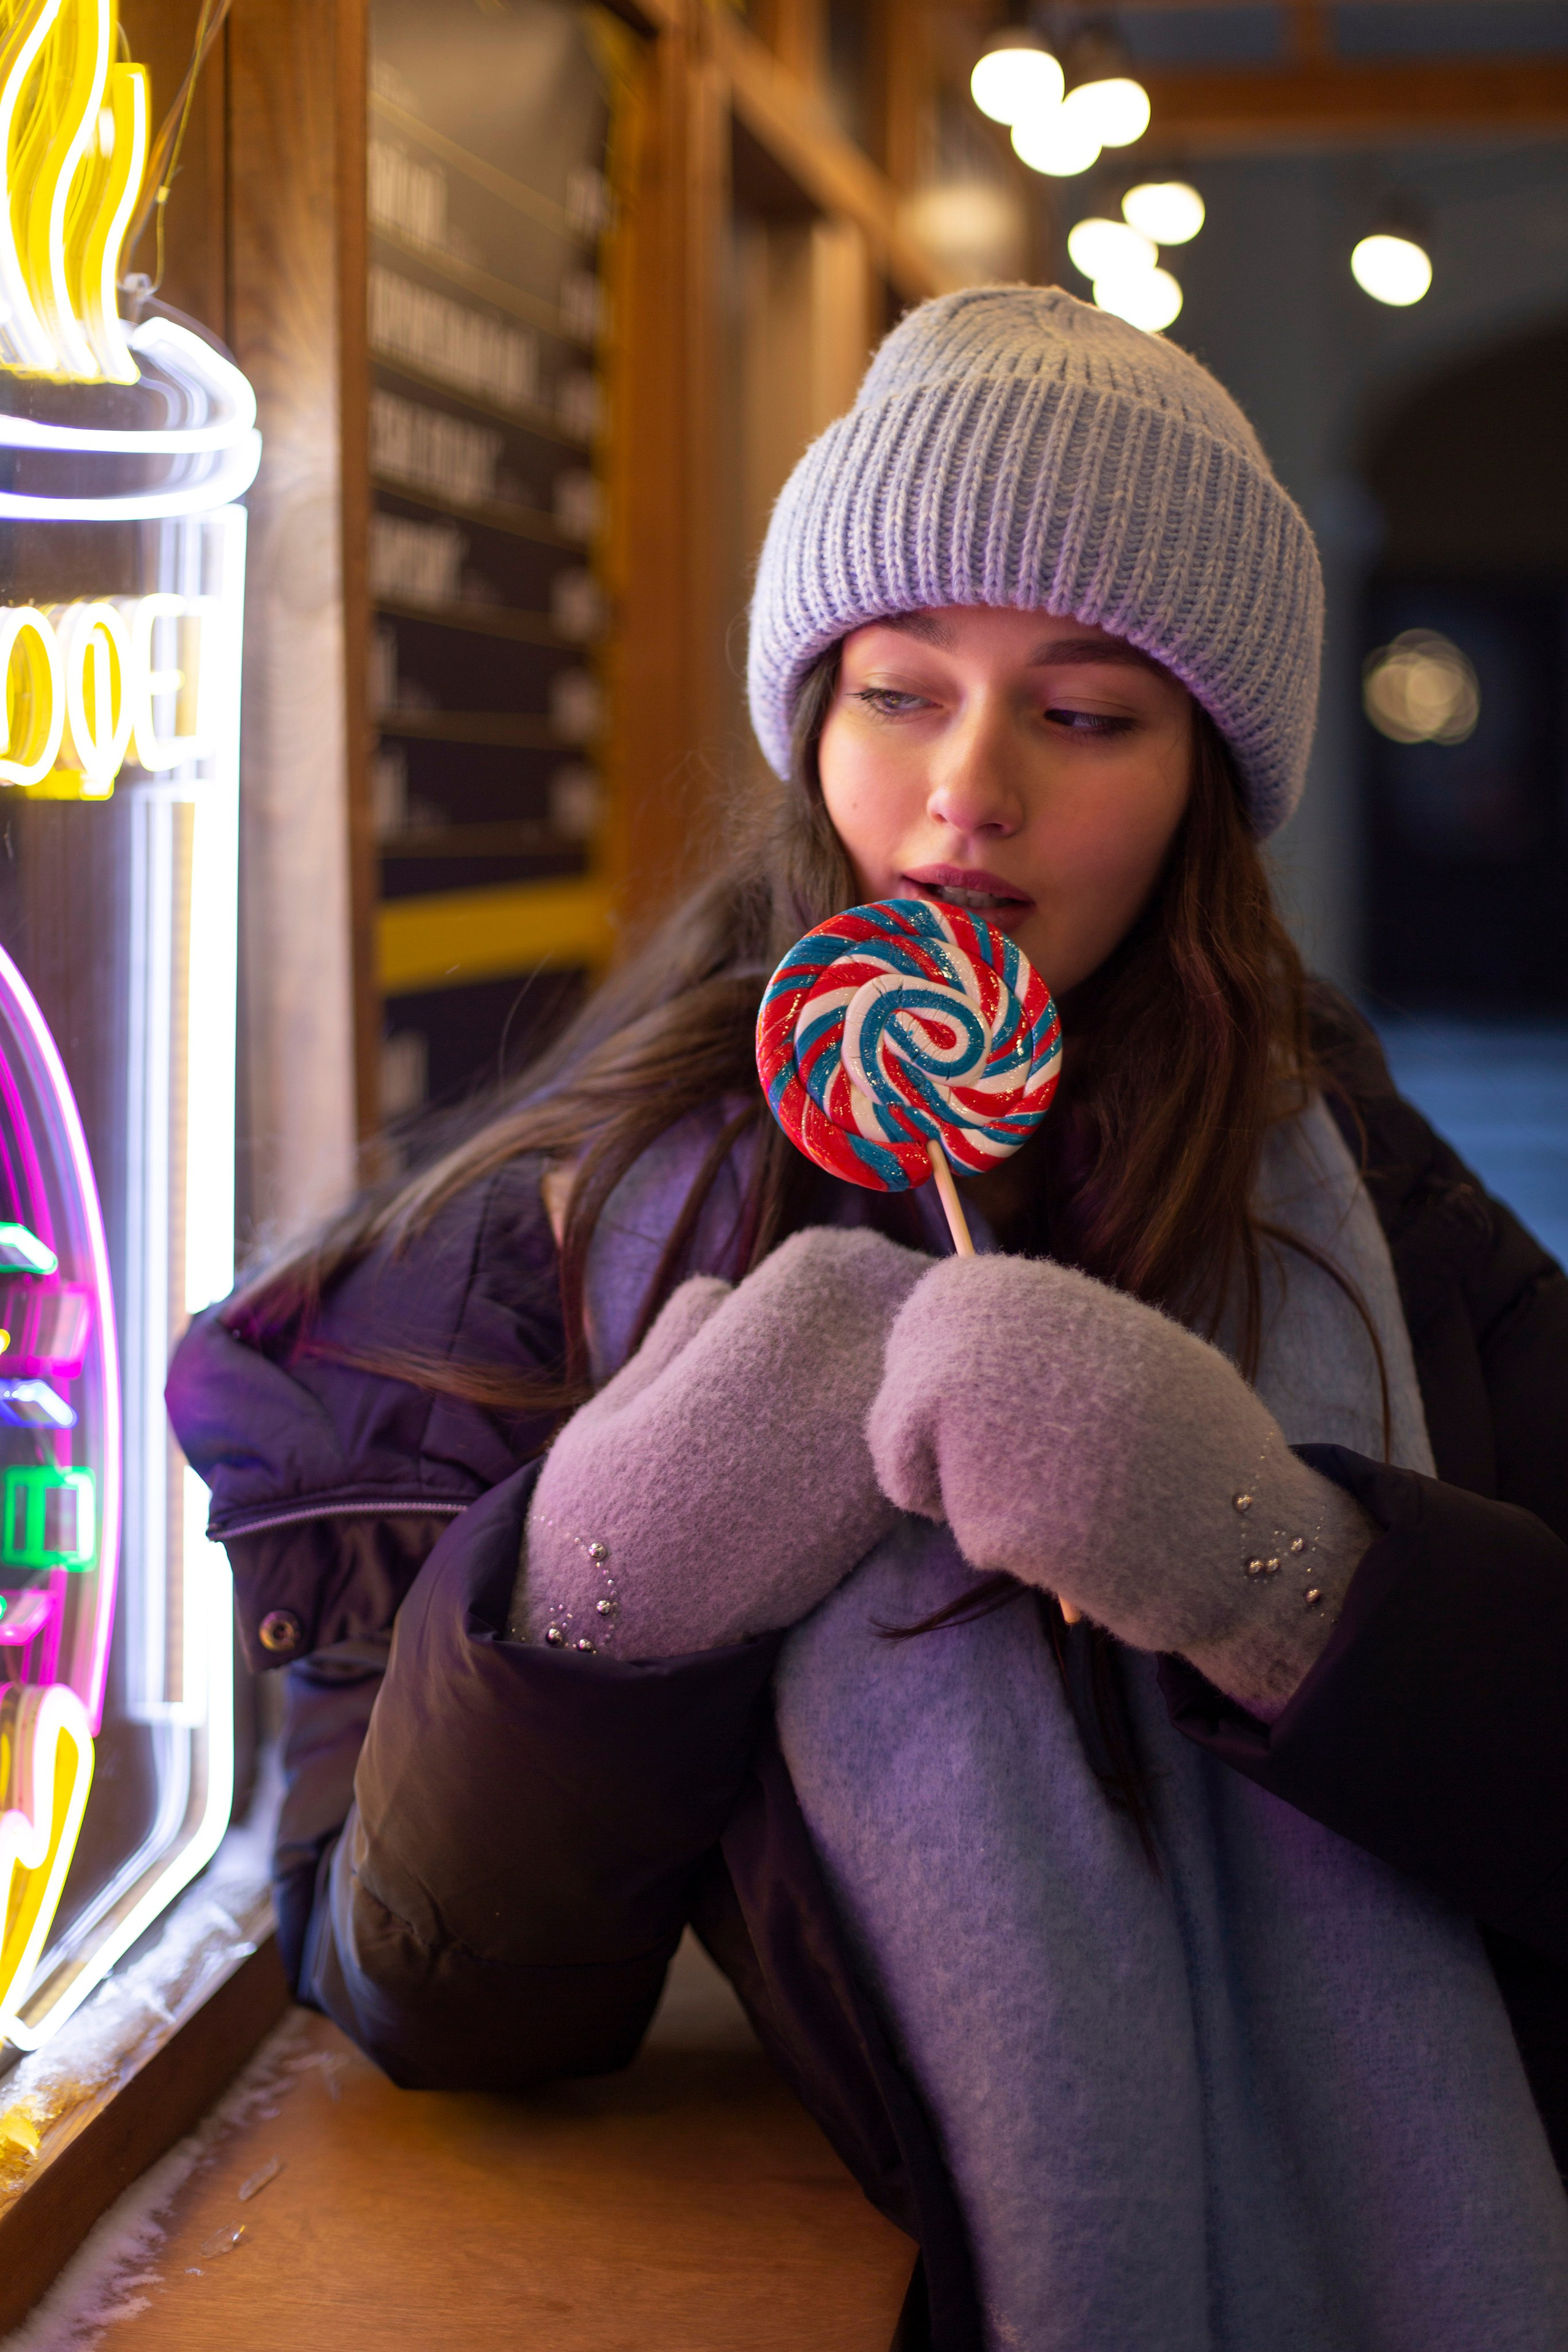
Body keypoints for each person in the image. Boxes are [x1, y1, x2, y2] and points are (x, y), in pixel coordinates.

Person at [168, 288, 1568, 2352]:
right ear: (809, 721)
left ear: (1207, 784)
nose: (968, 793)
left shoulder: (1367, 1204)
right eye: (900, 693)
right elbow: (426, 1990)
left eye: (1087, 717)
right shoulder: (506, 1258)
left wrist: (1286, 1574)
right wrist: (619, 1559)